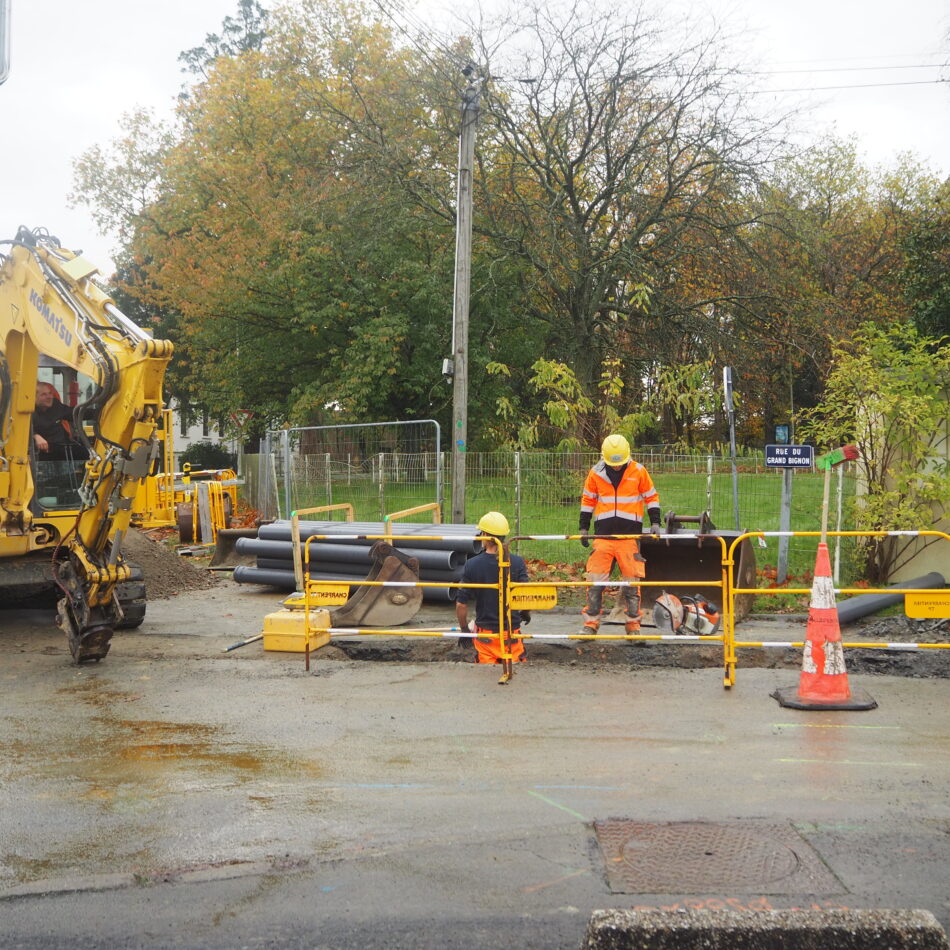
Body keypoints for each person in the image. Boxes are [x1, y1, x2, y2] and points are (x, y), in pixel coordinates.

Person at [578, 433, 661, 634]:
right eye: (612, 464)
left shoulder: (639, 471)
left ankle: (633, 627)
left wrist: (656, 521)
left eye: (620, 463)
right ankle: (590, 625)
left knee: (632, 586)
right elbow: (588, 500)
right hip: (603, 538)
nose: (616, 467)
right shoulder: (595, 473)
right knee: (595, 583)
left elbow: (651, 497)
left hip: (629, 538)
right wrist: (583, 527)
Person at [455, 511, 531, 666]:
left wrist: (464, 630)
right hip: (512, 637)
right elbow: (525, 595)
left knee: (485, 674)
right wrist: (525, 613)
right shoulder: (517, 562)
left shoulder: (473, 564)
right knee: (516, 672)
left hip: (486, 640)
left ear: (485, 535)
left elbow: (461, 604)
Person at [32, 382, 86, 460]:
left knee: (86, 453)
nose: (49, 397)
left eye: (50, 393)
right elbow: (21, 430)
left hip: (62, 449)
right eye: (43, 394)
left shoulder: (56, 405)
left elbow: (74, 413)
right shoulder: (27, 413)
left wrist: (99, 412)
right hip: (41, 454)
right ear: (34, 397)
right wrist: (35, 436)